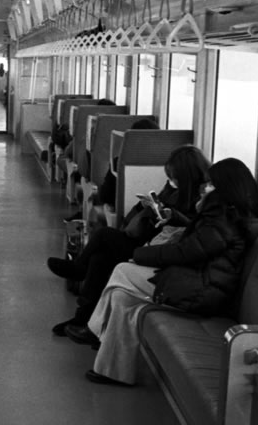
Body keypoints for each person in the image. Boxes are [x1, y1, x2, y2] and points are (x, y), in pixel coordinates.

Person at [70, 158, 258, 386]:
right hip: (196, 279)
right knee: (122, 297)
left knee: (122, 270)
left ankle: (93, 329)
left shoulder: (222, 219)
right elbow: (195, 248)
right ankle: (113, 371)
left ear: (225, 187)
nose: (206, 188)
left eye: (211, 184)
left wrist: (139, 255)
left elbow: (187, 252)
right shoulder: (227, 215)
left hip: (202, 291)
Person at [46, 144, 210, 335]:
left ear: (186, 176)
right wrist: (147, 207)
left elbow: (193, 231)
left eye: (174, 178)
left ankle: (78, 270)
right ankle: (82, 317)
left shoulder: (201, 199)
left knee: (104, 235)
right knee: (100, 258)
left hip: (157, 250)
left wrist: (172, 215)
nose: (171, 181)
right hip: (147, 239)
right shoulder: (173, 188)